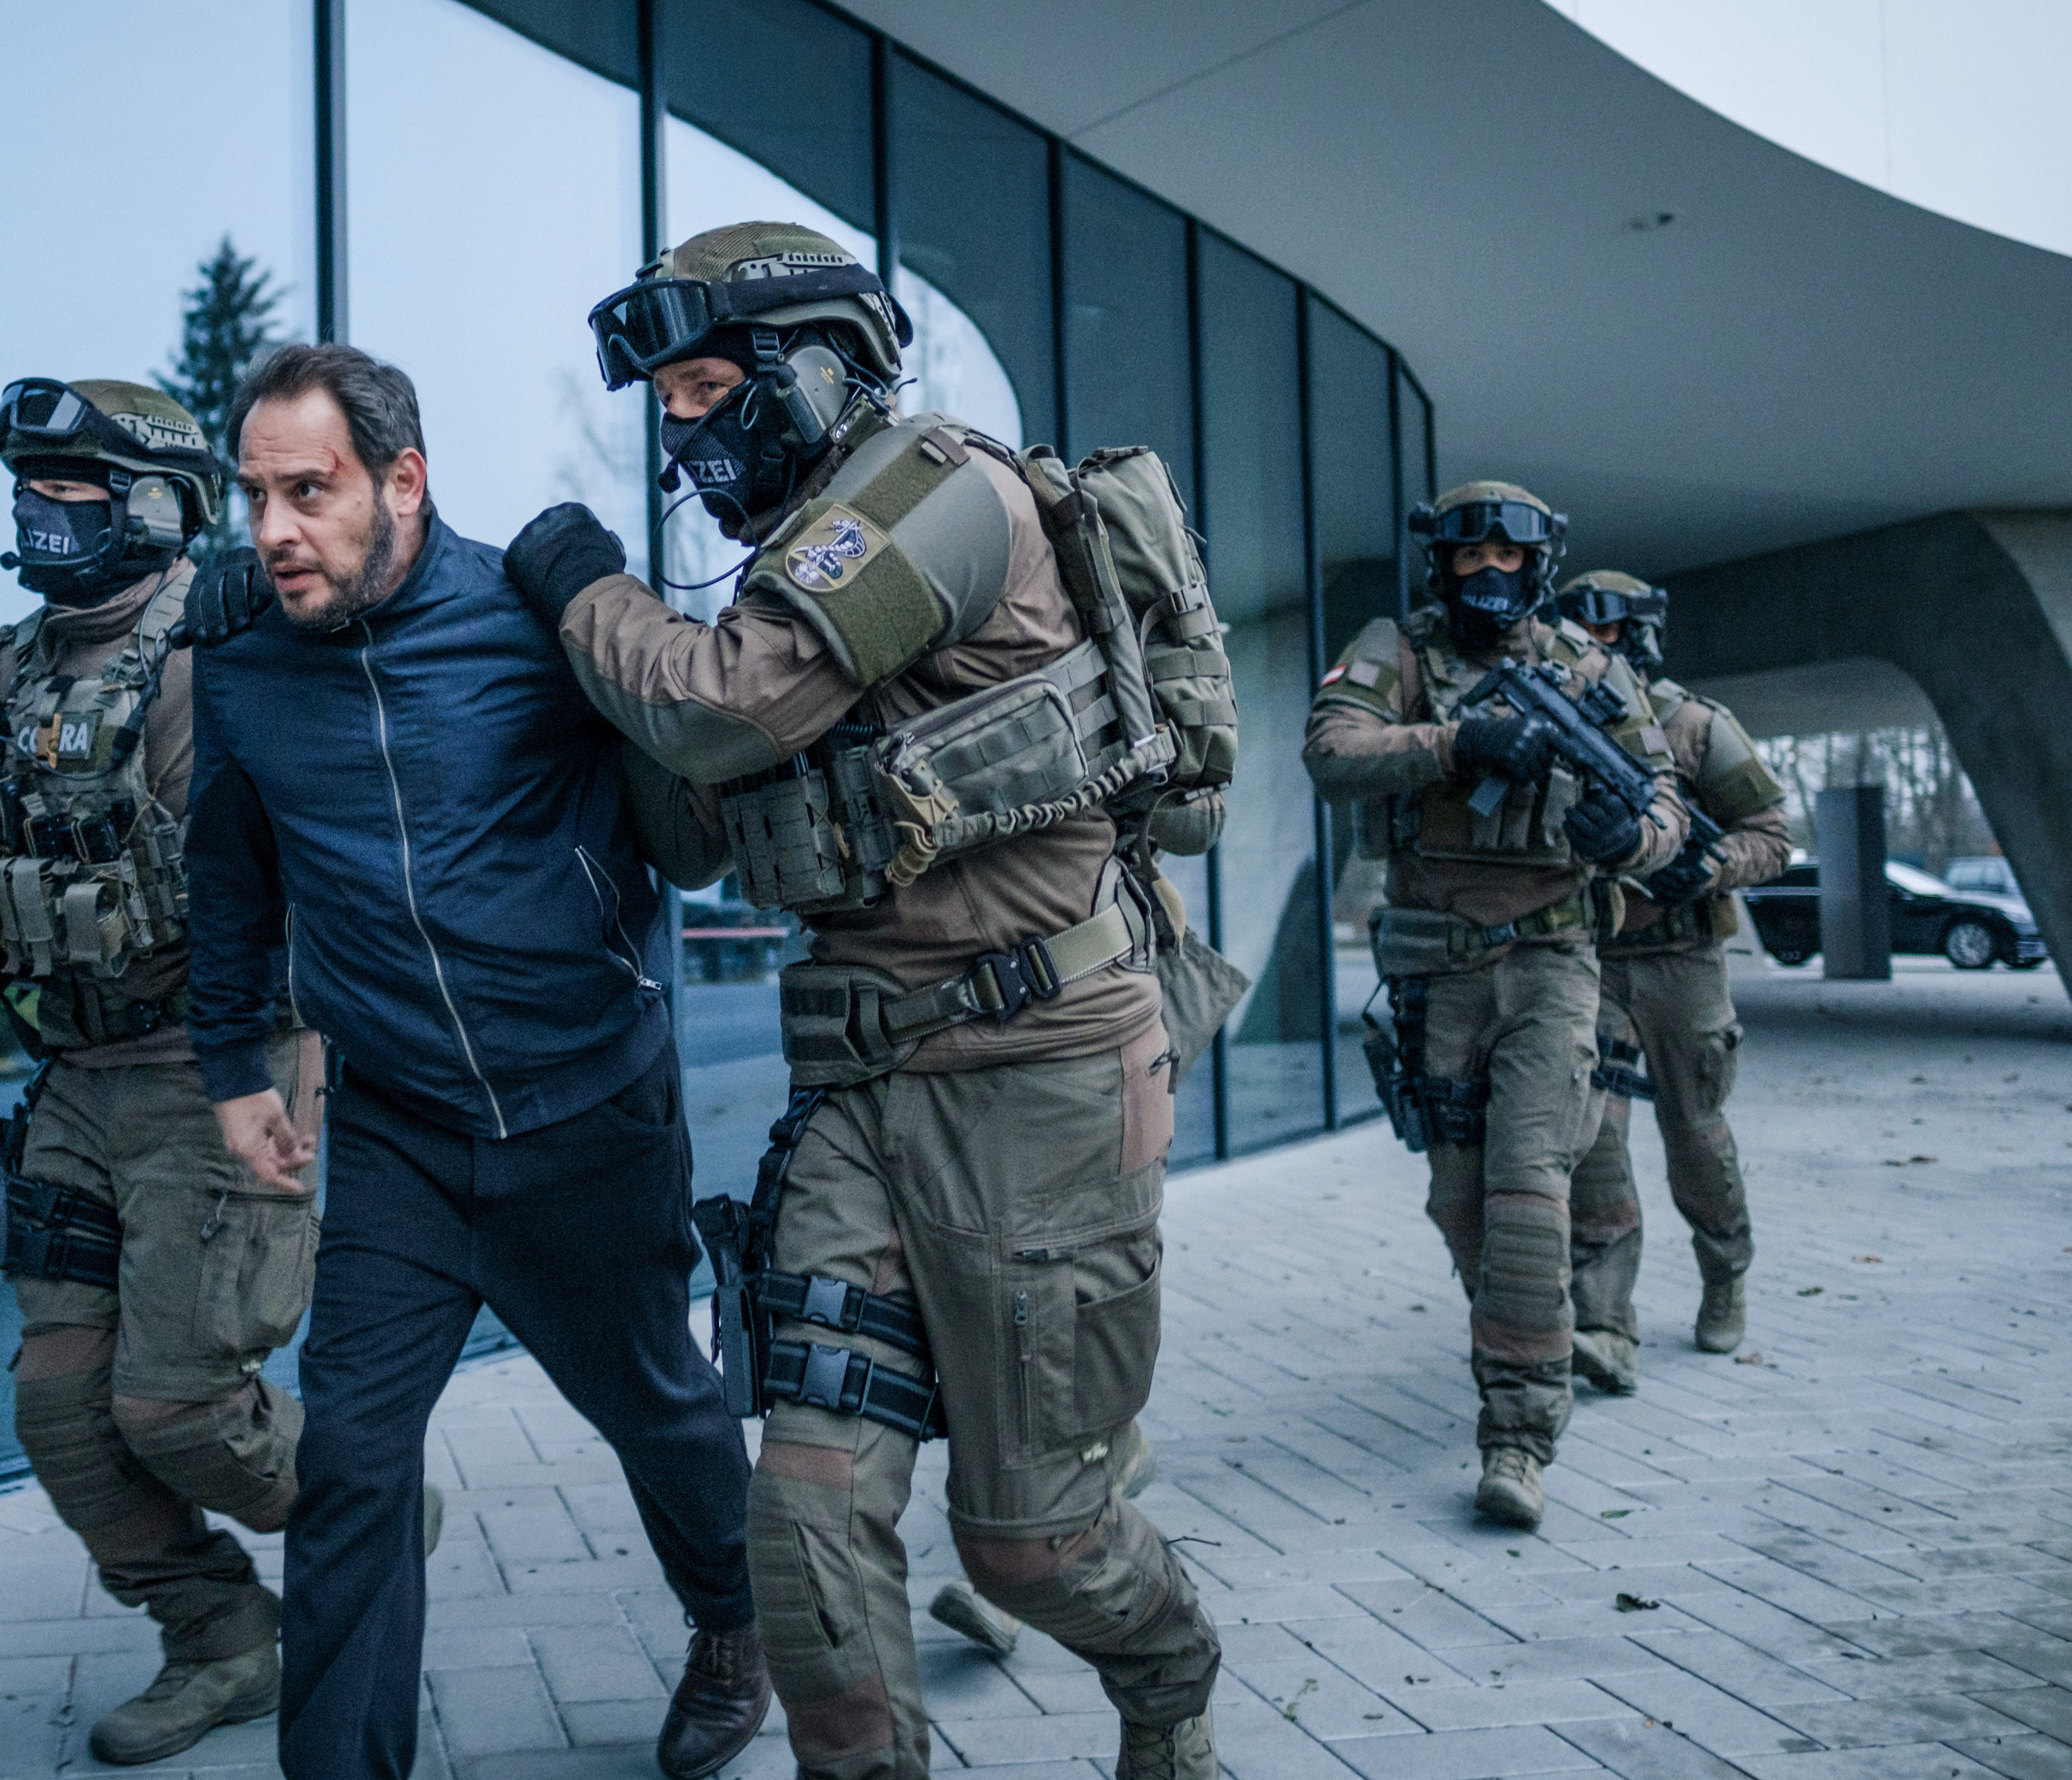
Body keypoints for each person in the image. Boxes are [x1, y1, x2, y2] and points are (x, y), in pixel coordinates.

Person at [515, 220, 1231, 1780]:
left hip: (1041, 1082)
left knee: (1034, 1543)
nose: (683, 429)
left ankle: (1172, 1682)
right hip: (861, 1094)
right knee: (806, 1518)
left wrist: (582, 590)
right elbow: (694, 832)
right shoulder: (792, 574)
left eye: (708, 389)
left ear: (818, 364)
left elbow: (724, 709)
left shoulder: (935, 496)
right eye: (667, 403)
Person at [176, 343, 769, 1780]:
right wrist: (234, 1066)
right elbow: (229, 874)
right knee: (351, 1461)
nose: (273, 529)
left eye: (307, 491)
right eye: (255, 496)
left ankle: (734, 1622)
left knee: (659, 1407)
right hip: (401, 1135)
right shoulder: (244, 666)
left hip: (591, 1109)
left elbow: (695, 779)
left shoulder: (531, 623)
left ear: (404, 481)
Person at [0, 378, 327, 1764]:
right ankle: (220, 1636)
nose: (39, 514)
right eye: (27, 492)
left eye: (69, 493)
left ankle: (366, 1508)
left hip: (218, 1072)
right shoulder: (6, 667)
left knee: (181, 1408)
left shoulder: (223, 652)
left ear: (152, 507)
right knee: (59, 1407)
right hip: (77, 1072)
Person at [1304, 483, 1689, 1530]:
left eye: (1507, 558)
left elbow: (1663, 804)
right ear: (1441, 563)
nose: (1488, 573)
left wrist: (1629, 839)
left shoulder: (1589, 671)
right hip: (1437, 972)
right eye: (1469, 557)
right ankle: (1529, 1338)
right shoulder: (1397, 651)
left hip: (1553, 962)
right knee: (1461, 1203)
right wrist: (1455, 744)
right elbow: (1331, 751)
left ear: (1536, 565)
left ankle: (1517, 1432)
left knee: (1528, 1192)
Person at [1552, 571, 1789, 1372]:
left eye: (1603, 633)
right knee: (1594, 1144)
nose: (1588, 648)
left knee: (1696, 1135)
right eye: (1575, 632)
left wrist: (1710, 865)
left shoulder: (1693, 726)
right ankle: (1604, 1322)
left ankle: (1726, 1274)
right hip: (1590, 960)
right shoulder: (1552, 717)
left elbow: (1773, 835)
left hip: (1682, 962)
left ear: (1638, 638)